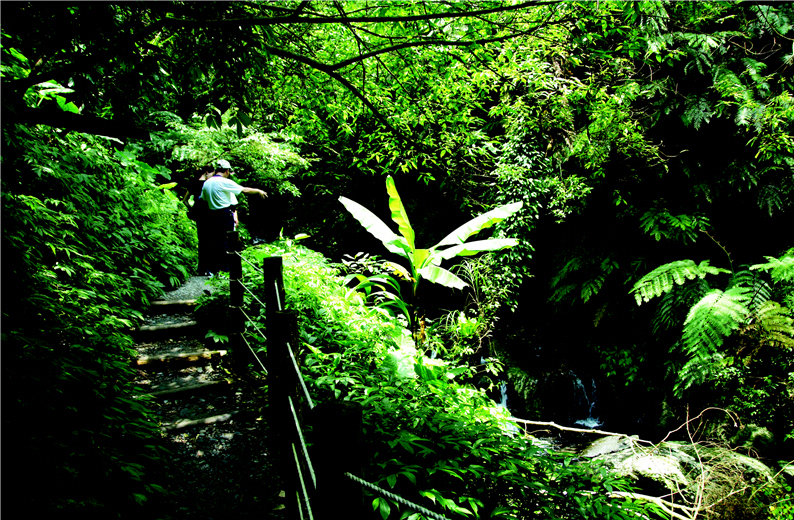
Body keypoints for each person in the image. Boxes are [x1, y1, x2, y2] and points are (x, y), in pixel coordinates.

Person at [201, 159, 267, 274]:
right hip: (224, 214)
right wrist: (258, 191)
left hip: (211, 214)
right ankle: (226, 269)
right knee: (228, 241)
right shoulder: (224, 182)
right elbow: (244, 190)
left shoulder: (207, 182)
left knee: (214, 241)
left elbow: (203, 199)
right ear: (226, 171)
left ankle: (213, 269)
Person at [187, 164, 215, 275]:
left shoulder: (193, 183)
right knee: (210, 240)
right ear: (207, 172)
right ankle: (209, 268)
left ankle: (201, 268)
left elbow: (185, 200)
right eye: (212, 174)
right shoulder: (208, 185)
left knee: (202, 241)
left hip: (199, 215)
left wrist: (192, 209)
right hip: (209, 214)